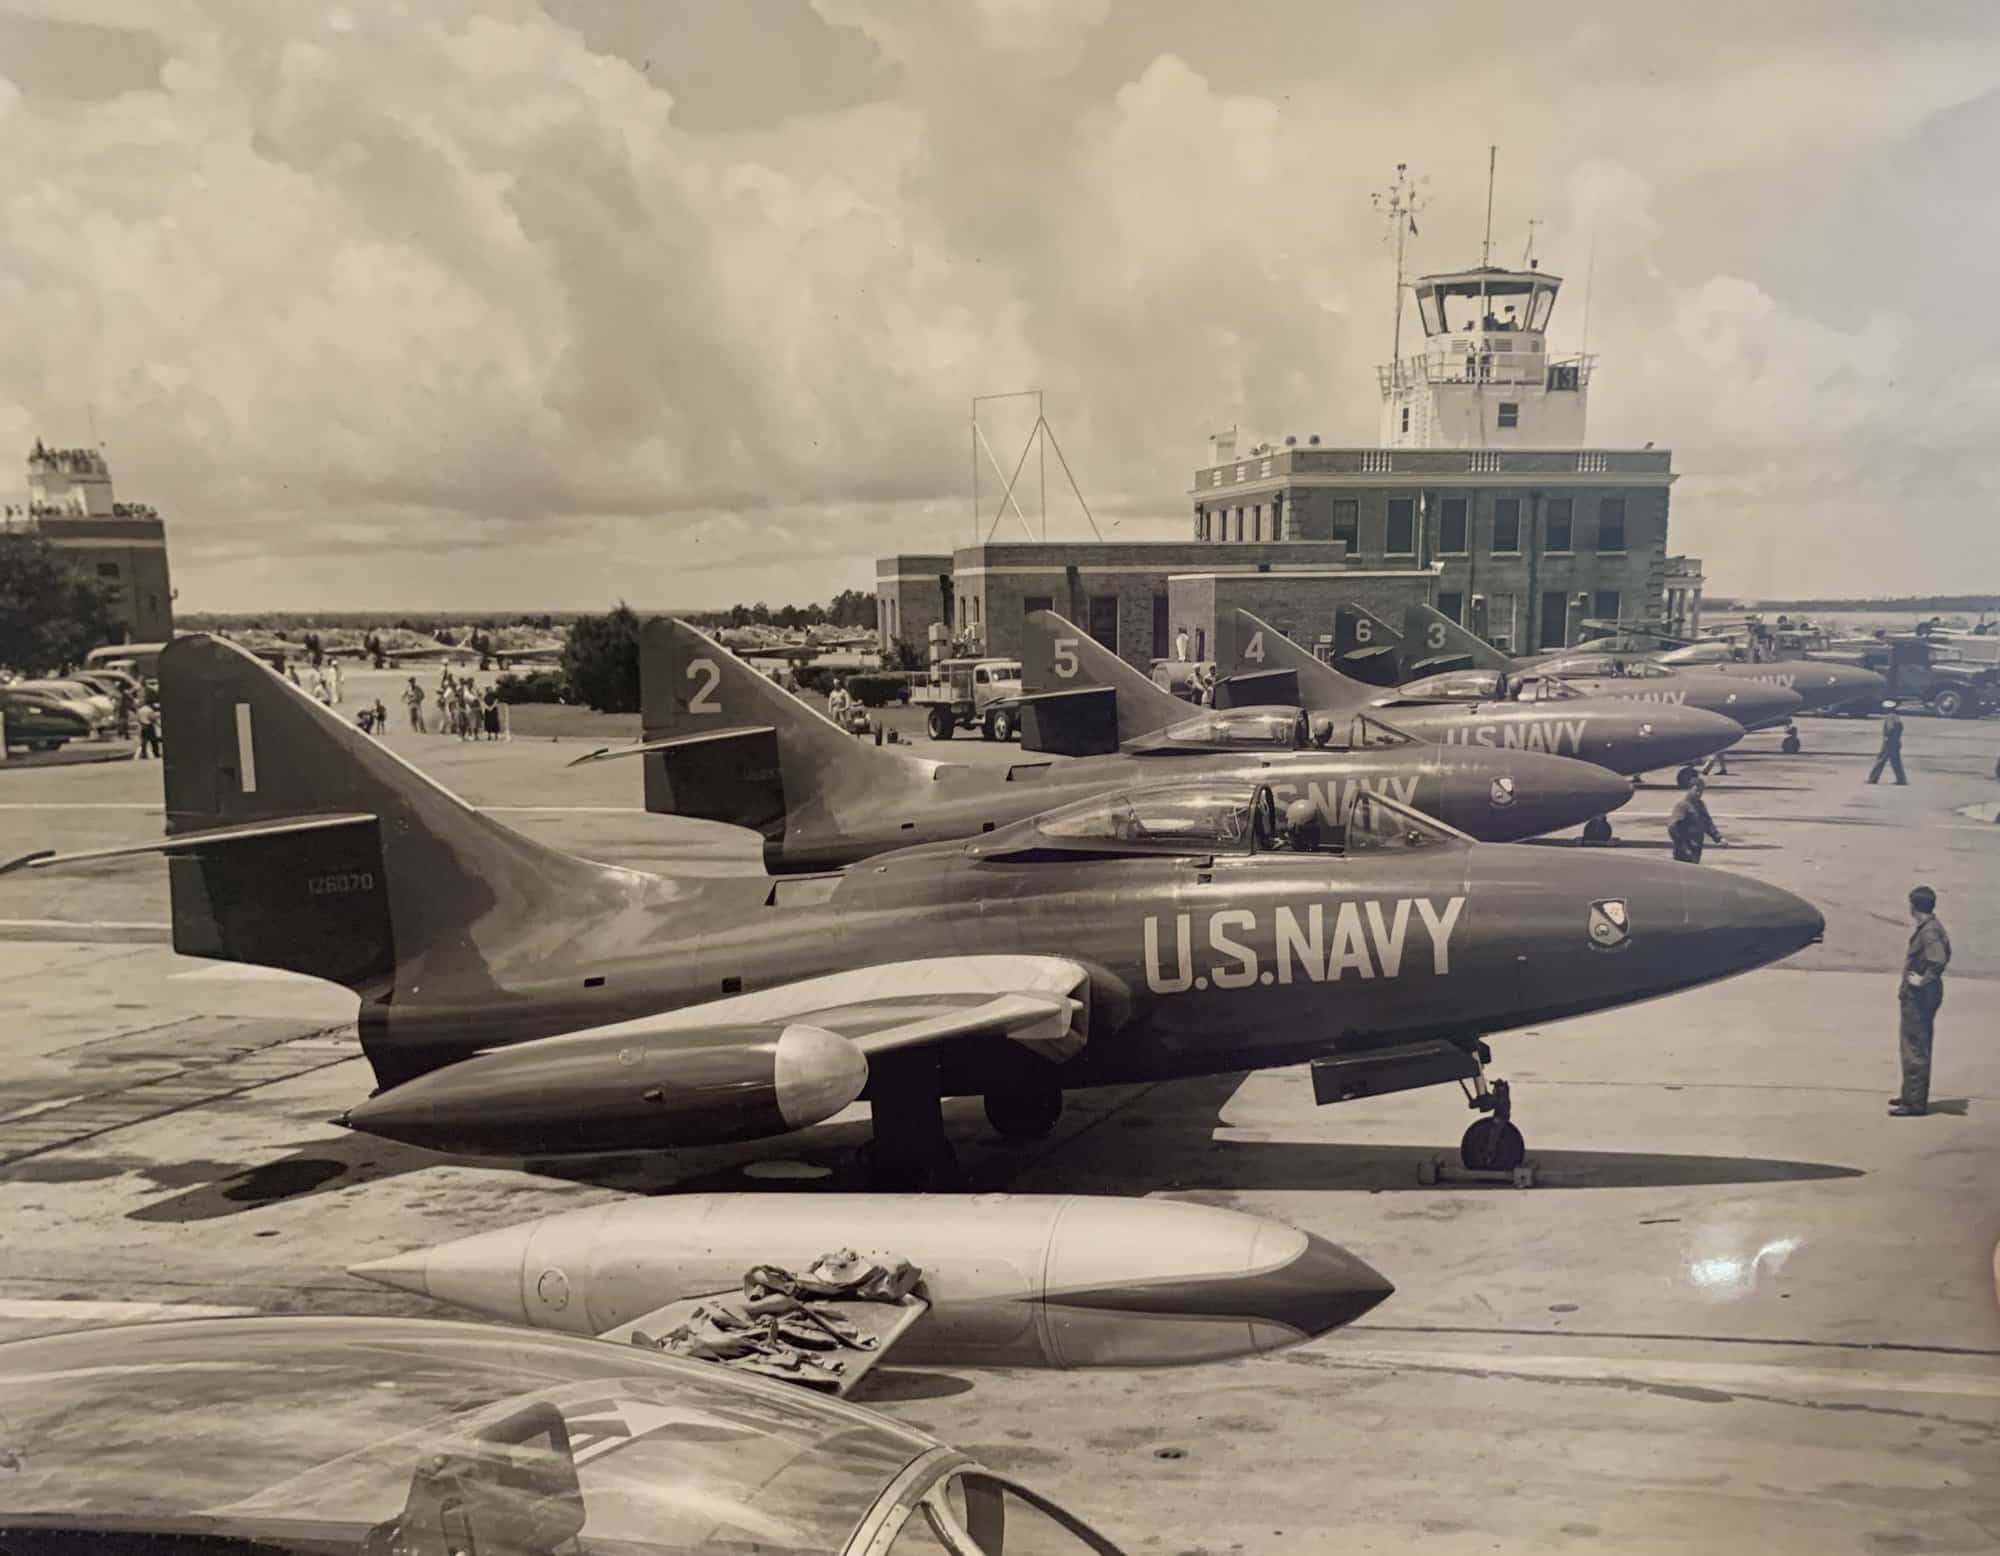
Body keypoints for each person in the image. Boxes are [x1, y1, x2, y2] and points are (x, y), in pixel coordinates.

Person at [1891, 886, 1952, 1117]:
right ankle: (1909, 1095)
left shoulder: (1928, 933)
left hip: (1919, 998)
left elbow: (1937, 960)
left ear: (1913, 907)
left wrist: (1922, 980)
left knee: (1915, 1048)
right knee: (1912, 1046)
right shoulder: (1931, 928)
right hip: (1920, 996)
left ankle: (1914, 1104)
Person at [1667, 776, 1721, 863]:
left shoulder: (1700, 805)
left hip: (1696, 849)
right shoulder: (1683, 806)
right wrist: (1682, 846)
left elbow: (1707, 823)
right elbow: (1672, 827)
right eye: (1696, 790)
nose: (1699, 793)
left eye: (1701, 791)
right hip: (1683, 852)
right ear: (1689, 789)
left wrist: (1718, 838)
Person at [1866, 700, 1907, 786]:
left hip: (1889, 742)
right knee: (1896, 762)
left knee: (1880, 760)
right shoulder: (1896, 717)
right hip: (1895, 742)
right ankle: (1901, 779)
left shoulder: (1890, 717)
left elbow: (1890, 728)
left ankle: (1873, 779)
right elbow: (1900, 728)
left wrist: (1887, 737)